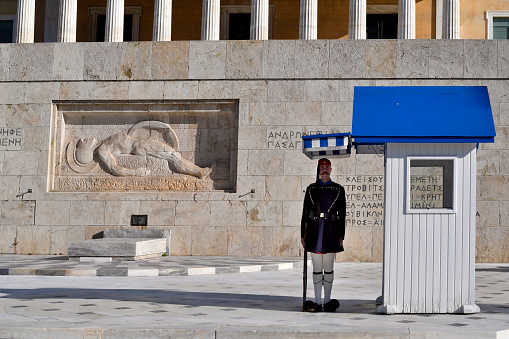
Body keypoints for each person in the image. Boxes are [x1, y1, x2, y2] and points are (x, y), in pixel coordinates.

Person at [300, 158, 346, 312]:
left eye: (327, 167)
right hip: (314, 230)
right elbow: (305, 213)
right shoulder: (311, 189)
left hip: (331, 231)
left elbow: (342, 215)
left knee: (329, 267)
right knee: (317, 267)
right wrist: (303, 234)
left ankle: (327, 300)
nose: (324, 170)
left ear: (331, 169)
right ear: (318, 169)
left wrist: (341, 235)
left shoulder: (338, 189)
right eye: (322, 167)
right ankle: (317, 300)